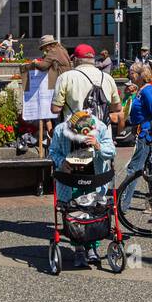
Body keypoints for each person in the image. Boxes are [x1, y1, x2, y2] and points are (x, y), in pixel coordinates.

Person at [48, 109, 116, 267]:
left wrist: (98, 145)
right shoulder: (60, 130)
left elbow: (111, 150)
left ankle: (92, 249)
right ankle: (79, 249)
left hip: (95, 177)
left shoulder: (100, 127)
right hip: (71, 179)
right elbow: (53, 151)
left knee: (94, 211)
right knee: (74, 212)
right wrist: (61, 163)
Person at [122, 64, 152, 213]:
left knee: (134, 169)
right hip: (144, 131)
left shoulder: (147, 91)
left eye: (132, 73)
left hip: (146, 134)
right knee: (151, 168)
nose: (130, 75)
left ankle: (123, 204)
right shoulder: (143, 90)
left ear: (140, 75)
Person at [51, 44, 122, 125]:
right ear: (93, 60)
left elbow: (55, 109)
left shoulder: (65, 77)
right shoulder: (108, 78)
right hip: (102, 132)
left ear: (75, 59)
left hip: (75, 131)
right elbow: (117, 107)